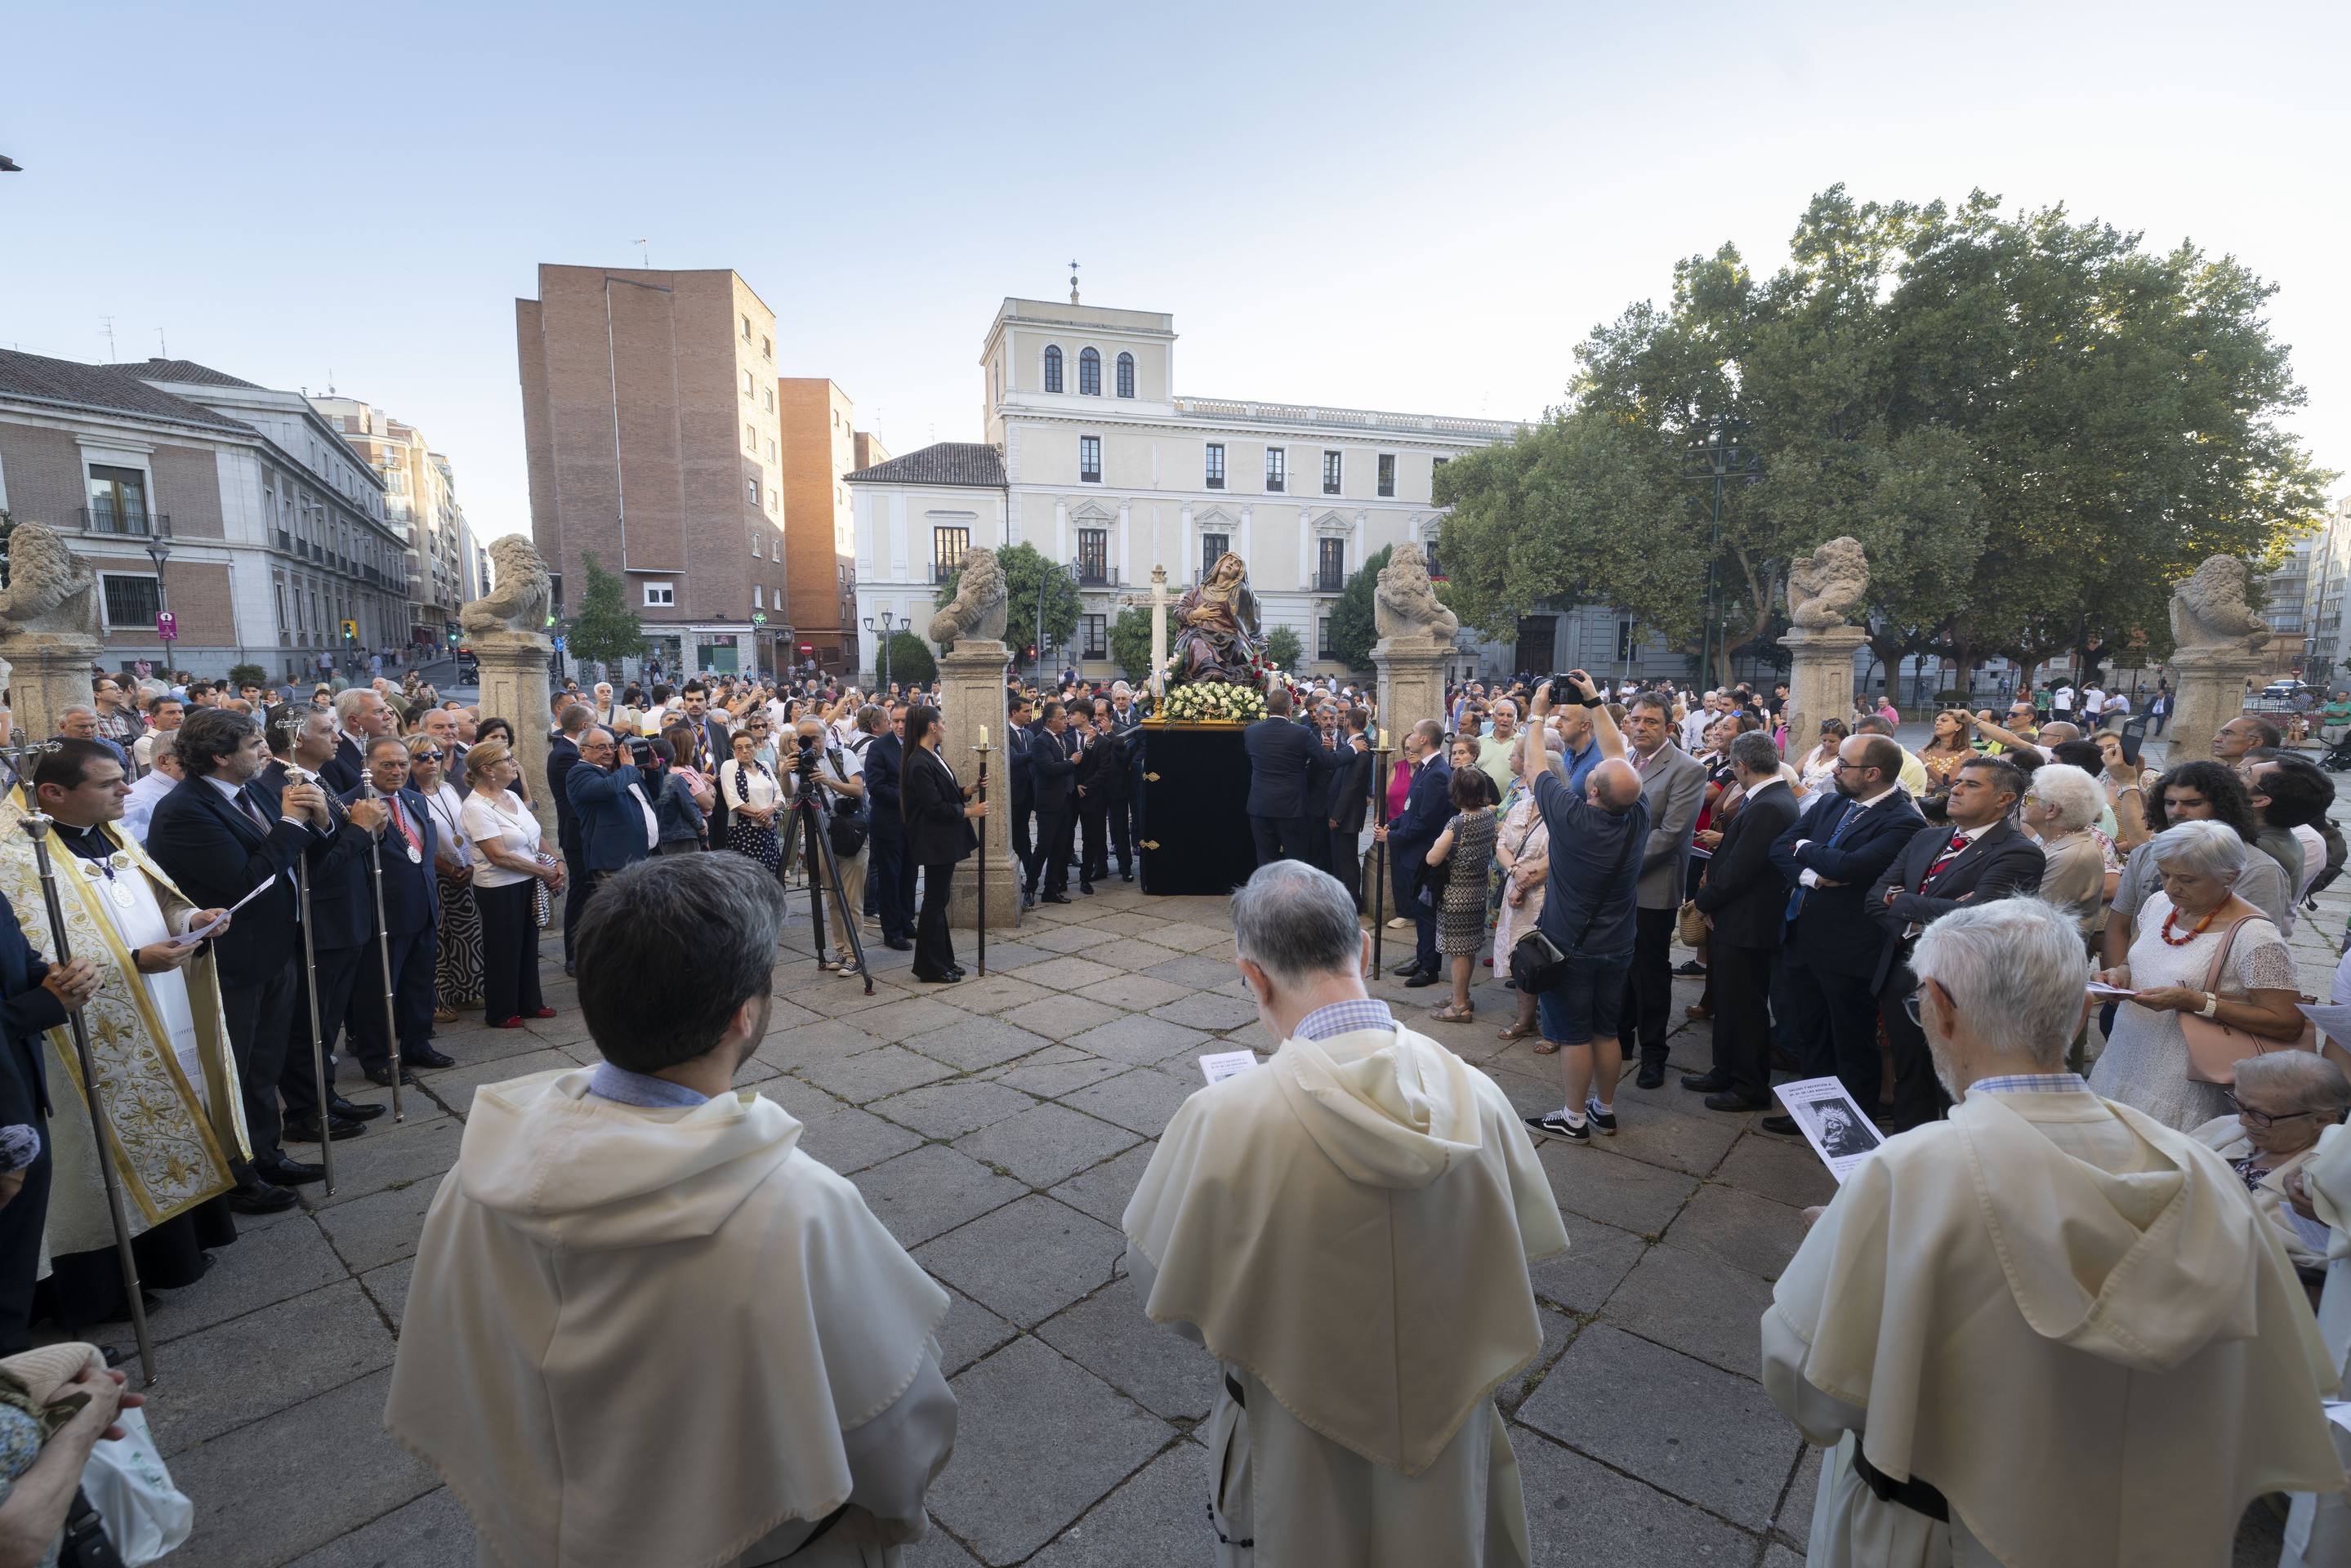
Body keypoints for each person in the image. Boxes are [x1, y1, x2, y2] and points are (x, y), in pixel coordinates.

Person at [386, 854, 957, 1567]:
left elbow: (465, 1373)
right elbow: (891, 1425)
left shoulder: (480, 1174)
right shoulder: (795, 1208)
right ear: (743, 1017)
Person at [1762, 895, 2340, 1568]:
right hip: (2137, 1533)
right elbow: (2266, 1386)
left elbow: (1811, 1388)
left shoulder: (1915, 1173)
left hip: (1935, 1535)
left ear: (1942, 1010)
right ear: (2084, 1009)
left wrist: (1833, 1257)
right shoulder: (2203, 1171)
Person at [1121, 858, 1568, 1566]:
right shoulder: (1477, 1095)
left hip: (1291, 1430)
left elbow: (1166, 1291)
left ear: (1254, 976)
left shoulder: (1224, 1118)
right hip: (1446, 1429)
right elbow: (1517, 1245)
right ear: (1362, 950)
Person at [145, 709, 355, 1207]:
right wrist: (290, 822)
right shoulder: (185, 811)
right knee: (234, 1068)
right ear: (220, 755)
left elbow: (302, 859)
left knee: (265, 1063)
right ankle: (235, 1173)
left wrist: (321, 823)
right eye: (255, 744)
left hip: (276, 949)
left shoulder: (255, 790)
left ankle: (266, 1152)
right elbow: (247, 881)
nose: (266, 752)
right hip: (230, 960)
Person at [1860, 756, 2045, 1131]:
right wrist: (1922, 911)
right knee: (1909, 1078)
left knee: (1956, 1089)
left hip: (1961, 987)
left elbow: (1977, 917)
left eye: (1972, 785)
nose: (1956, 789)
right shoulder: (1927, 837)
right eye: (1957, 781)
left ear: (2004, 800)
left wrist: (1902, 902)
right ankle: (1909, 1159)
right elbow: (1873, 898)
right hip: (1901, 972)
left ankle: (1956, 1170)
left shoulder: (2018, 852)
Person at [2090, 821, 2308, 1130]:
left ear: (2229, 876)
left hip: (2184, 1082)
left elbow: (2288, 1022)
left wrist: (2196, 1002)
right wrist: (2118, 974)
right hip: (2123, 1059)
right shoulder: (2159, 905)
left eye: (2187, 880)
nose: (2171, 887)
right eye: (2165, 874)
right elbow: (2134, 961)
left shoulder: (2256, 936)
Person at [1765, 733, 1925, 1130]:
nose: (1834, 768)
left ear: (1872, 773)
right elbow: (1780, 846)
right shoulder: (1835, 801)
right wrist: (1813, 876)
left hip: (1848, 949)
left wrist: (1804, 849)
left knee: (1850, 1040)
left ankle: (1853, 1128)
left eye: (1844, 764)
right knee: (1812, 1033)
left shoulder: (1902, 821)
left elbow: (1851, 868)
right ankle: (1818, 1117)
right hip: (1803, 934)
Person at [1519, 673, 1644, 1143]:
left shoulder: (1573, 818)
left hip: (1569, 946)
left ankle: (1573, 1117)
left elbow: (1535, 770)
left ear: (1592, 792)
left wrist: (1536, 712)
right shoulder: (1636, 813)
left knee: (1573, 1033)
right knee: (1605, 1030)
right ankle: (1605, 1110)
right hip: (1618, 943)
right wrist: (1593, 700)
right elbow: (1617, 755)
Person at [1684, 731, 1803, 1111]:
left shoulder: (1770, 804)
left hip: (1748, 923)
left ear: (1741, 766)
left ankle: (1750, 1085)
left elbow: (1741, 869)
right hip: (1736, 919)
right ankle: (1725, 1069)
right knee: (1728, 1000)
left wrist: (1703, 902)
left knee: (1745, 1006)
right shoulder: (1767, 798)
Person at [346, 736, 453, 1078]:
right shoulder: (353, 805)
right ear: (367, 767)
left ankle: (417, 1045)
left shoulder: (413, 799)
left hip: (422, 906)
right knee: (379, 990)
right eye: (387, 765)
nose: (397, 771)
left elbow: (421, 853)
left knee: (419, 982)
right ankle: (377, 1058)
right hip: (383, 912)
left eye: (403, 764)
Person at [1614, 692, 1706, 1089]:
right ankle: (1619, 1042)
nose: (1641, 728)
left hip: (1652, 885)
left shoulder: (1687, 769)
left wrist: (1615, 865)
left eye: (1651, 722)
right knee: (1619, 968)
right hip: (1616, 887)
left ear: (1669, 727)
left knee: (1651, 974)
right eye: (1636, 720)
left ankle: (1654, 1053)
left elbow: (1671, 835)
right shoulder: (1624, 761)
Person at [2188, 1051, 2349, 1275]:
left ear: (2322, 1120)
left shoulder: (2336, 1174)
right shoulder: (2225, 1128)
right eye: (2240, 1105)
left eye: (2260, 1114)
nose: (2243, 1121)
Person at [462, 740, 560, 1029]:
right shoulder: (476, 807)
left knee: (528, 944)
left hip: (528, 878)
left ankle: (530, 1002)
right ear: (487, 769)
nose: (514, 763)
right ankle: (501, 1010)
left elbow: (534, 832)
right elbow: (497, 855)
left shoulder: (511, 797)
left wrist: (556, 861)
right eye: (507, 759)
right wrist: (543, 870)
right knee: (503, 948)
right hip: (500, 887)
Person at [900, 705, 985, 985]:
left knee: (939, 901)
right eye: (943, 723)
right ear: (932, 727)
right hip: (934, 840)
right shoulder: (918, 762)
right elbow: (935, 806)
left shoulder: (932, 756)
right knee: (934, 903)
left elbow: (945, 792)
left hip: (943, 840)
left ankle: (944, 959)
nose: (946, 727)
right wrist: (970, 812)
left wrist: (968, 790)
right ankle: (930, 967)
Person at [1490, 728, 1559, 1045]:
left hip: (1544, 897)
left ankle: (1554, 1027)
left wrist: (1524, 881)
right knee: (1521, 958)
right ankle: (1525, 1020)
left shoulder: (1562, 811)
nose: (1528, 777)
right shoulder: (1521, 806)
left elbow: (1556, 857)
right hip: (1515, 889)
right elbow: (1502, 844)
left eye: (1533, 773)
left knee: (1547, 960)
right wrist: (1515, 871)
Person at [410, 733, 483, 1020]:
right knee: (439, 940)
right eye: (422, 757)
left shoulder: (447, 789)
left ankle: (467, 990)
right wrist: (450, 869)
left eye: (436, 756)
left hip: (463, 870)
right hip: (435, 874)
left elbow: (461, 828)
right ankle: (440, 1000)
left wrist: (468, 864)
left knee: (467, 934)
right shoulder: (410, 796)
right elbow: (416, 841)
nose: (431, 762)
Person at [1375, 720, 1452, 988]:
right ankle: (1422, 958)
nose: (1410, 737)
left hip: (1424, 854)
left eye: (1415, 733)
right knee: (1420, 912)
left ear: (1424, 739)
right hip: (1412, 852)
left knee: (1426, 910)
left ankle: (1430, 967)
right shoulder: (1424, 767)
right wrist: (1392, 824)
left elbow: (1425, 822)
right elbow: (1410, 810)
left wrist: (1392, 837)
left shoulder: (1438, 773)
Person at [1424, 764, 1499, 1025]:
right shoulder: (1488, 816)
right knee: (1467, 948)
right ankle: (1462, 995)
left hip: (1456, 894)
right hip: (1478, 890)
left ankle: (1458, 1007)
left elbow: (1433, 858)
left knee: (1457, 951)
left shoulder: (1457, 822)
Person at [2019, 762, 2109, 944]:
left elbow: (2036, 916)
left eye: (2029, 798)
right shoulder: (2053, 838)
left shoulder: (2072, 856)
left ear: (2051, 810)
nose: (2023, 802)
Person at [567, 728, 658, 899]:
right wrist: (628, 768)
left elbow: (655, 795)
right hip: (615, 863)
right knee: (621, 917)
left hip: (642, 858)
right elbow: (609, 789)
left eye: (611, 746)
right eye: (601, 747)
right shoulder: (579, 773)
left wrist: (653, 770)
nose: (609, 752)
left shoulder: (620, 771)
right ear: (583, 750)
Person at [1242, 686, 1319, 867]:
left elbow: (1251, 757)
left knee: (1265, 860)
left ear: (1268, 708)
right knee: (1295, 861)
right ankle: (1293, 896)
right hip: (1291, 807)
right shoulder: (1301, 733)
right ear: (1290, 709)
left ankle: (1267, 896)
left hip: (1260, 805)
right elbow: (1326, 761)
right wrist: (1353, 749)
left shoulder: (1251, 732)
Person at [865, 705, 915, 946]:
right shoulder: (879, 747)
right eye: (895, 721)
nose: (900, 725)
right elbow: (876, 786)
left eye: (904, 721)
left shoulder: (919, 744)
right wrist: (909, 796)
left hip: (913, 824)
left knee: (910, 875)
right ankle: (892, 930)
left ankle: (906, 920)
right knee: (890, 878)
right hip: (888, 823)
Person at [1028, 702, 1079, 905]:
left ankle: (1051, 888)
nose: (1066, 721)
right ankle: (1030, 889)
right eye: (1062, 718)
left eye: (1066, 717)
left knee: (1060, 847)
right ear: (1050, 721)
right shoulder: (1041, 742)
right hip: (1049, 803)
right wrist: (1072, 762)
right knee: (1044, 847)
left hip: (1066, 800)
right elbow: (1049, 768)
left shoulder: (1064, 739)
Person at [1326, 704, 1376, 909]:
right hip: (1346, 813)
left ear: (1347, 723)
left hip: (1347, 815)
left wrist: (1336, 815)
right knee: (1342, 857)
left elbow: (1351, 785)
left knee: (1347, 860)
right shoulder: (1354, 745)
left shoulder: (1360, 749)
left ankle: (1353, 901)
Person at [720, 729, 783, 874]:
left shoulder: (765, 765)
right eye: (739, 748)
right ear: (733, 750)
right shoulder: (729, 766)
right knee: (749, 876)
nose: (744, 751)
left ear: (755, 747)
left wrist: (770, 811)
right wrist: (762, 816)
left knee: (770, 872)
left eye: (748, 746)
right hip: (743, 831)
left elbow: (779, 794)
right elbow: (733, 801)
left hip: (768, 829)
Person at [1003, 695, 1037, 909]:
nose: (1028, 714)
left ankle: (1030, 873)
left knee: (1024, 835)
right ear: (1014, 712)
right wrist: (1039, 751)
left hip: (1029, 794)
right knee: (1018, 836)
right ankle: (1025, 873)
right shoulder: (1005, 733)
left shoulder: (1030, 733)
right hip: (1014, 794)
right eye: (1025, 711)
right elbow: (1014, 760)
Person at [118, 740, 180, 843]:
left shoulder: (179, 790)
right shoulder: (140, 802)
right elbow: (130, 849)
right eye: (189, 758)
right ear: (164, 761)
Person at [1795, 719, 1848, 793]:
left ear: (1843, 740)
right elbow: (1793, 772)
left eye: (1832, 741)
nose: (1827, 744)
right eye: (1824, 740)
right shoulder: (1815, 753)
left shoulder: (1845, 759)